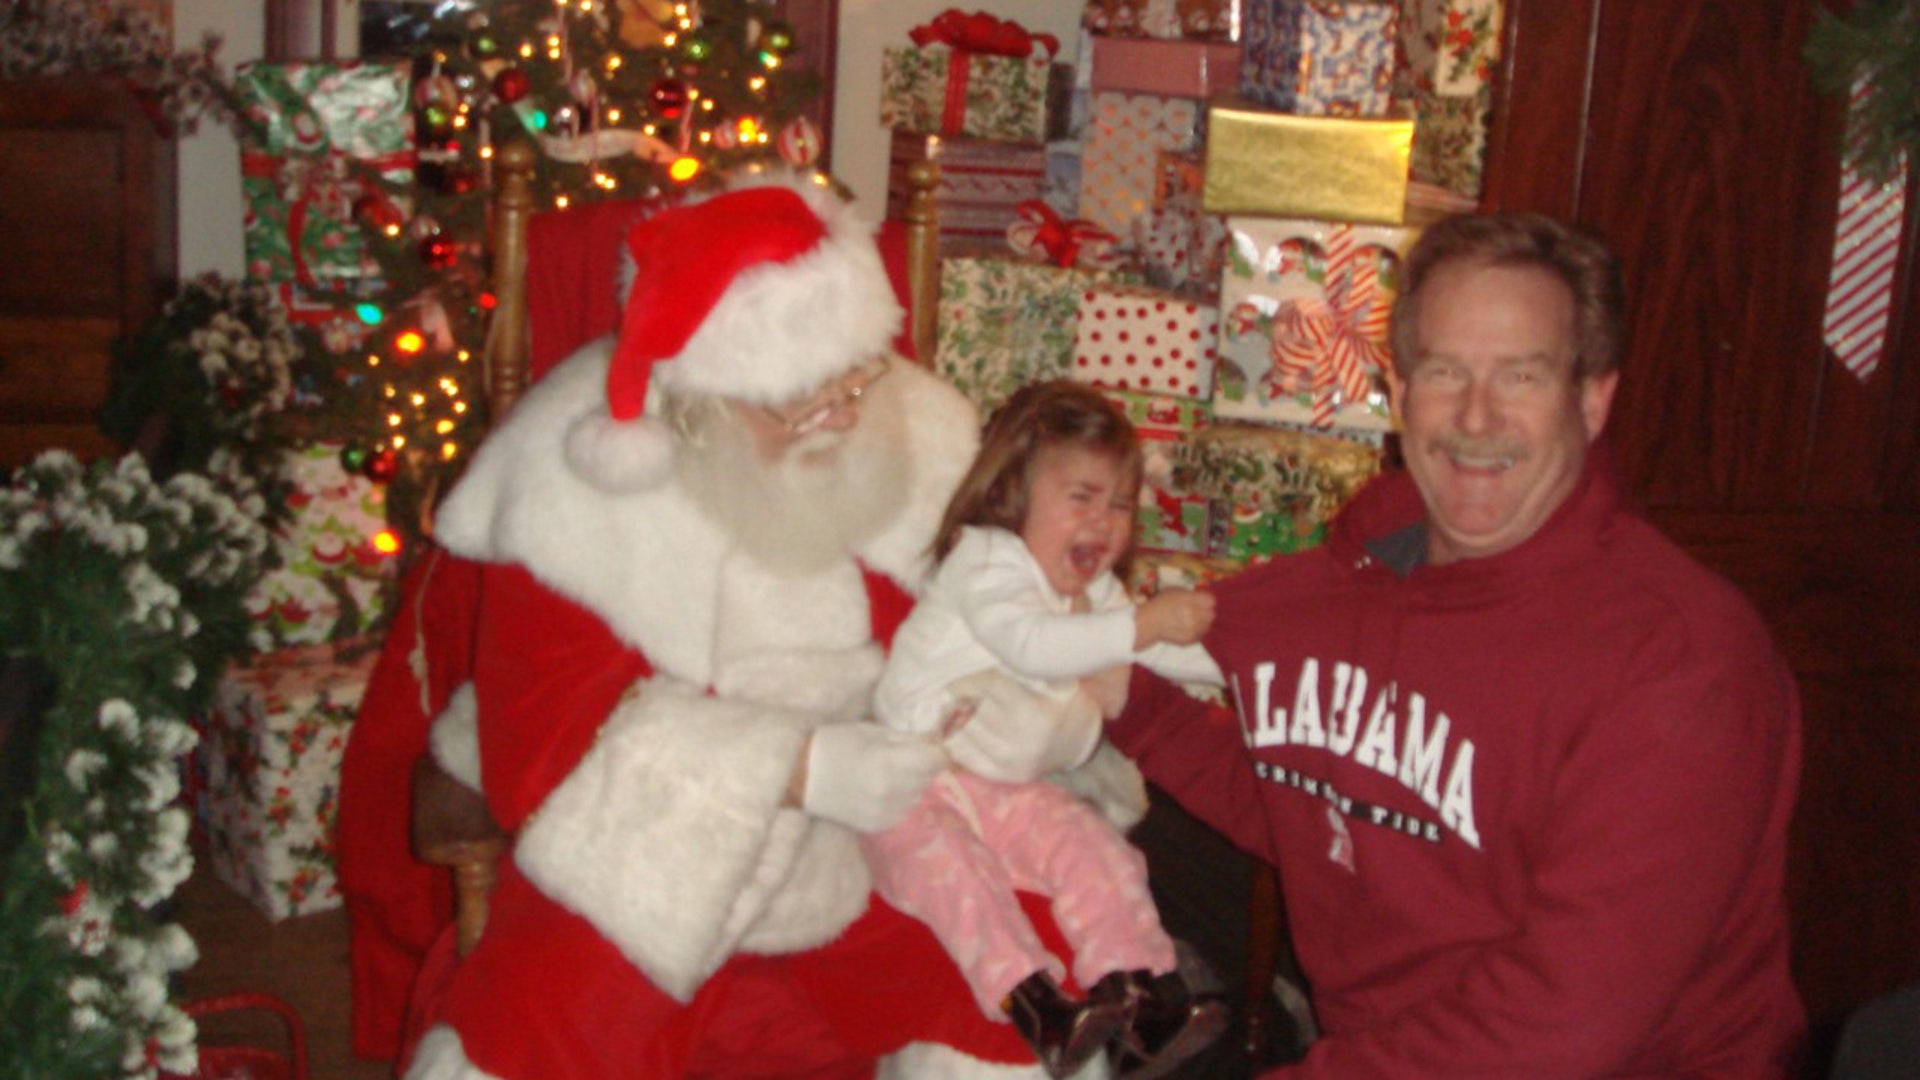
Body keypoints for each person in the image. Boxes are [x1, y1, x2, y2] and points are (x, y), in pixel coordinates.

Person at [961, 212, 1808, 1076]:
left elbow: (1555, 1029)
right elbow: (1310, 798)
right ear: (1397, 396)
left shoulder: (1680, 663)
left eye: (1520, 375)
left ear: (1591, 400)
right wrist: (1122, 694)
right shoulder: (1339, 593)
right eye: (1444, 373)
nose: (1476, 417)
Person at [397, 173, 1113, 1078]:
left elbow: (999, 618)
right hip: (653, 860)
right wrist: (795, 769)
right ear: (701, 395)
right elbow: (544, 749)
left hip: (885, 850)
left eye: (857, 379)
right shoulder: (575, 490)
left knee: (1035, 1018)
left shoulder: (921, 437)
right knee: (528, 1038)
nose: (843, 417)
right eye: (800, 399)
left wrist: (1012, 714)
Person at [864, 381, 1229, 1079]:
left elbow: (1158, 648)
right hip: (906, 779)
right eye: (1081, 497)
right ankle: (1037, 1005)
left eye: (1120, 504)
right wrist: (1144, 624)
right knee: (956, 876)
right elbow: (1030, 644)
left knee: (1091, 846)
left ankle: (1136, 997)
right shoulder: (985, 558)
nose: (1104, 522)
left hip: (994, 785)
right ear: (1013, 494)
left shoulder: (1092, 595)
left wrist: (1242, 668)